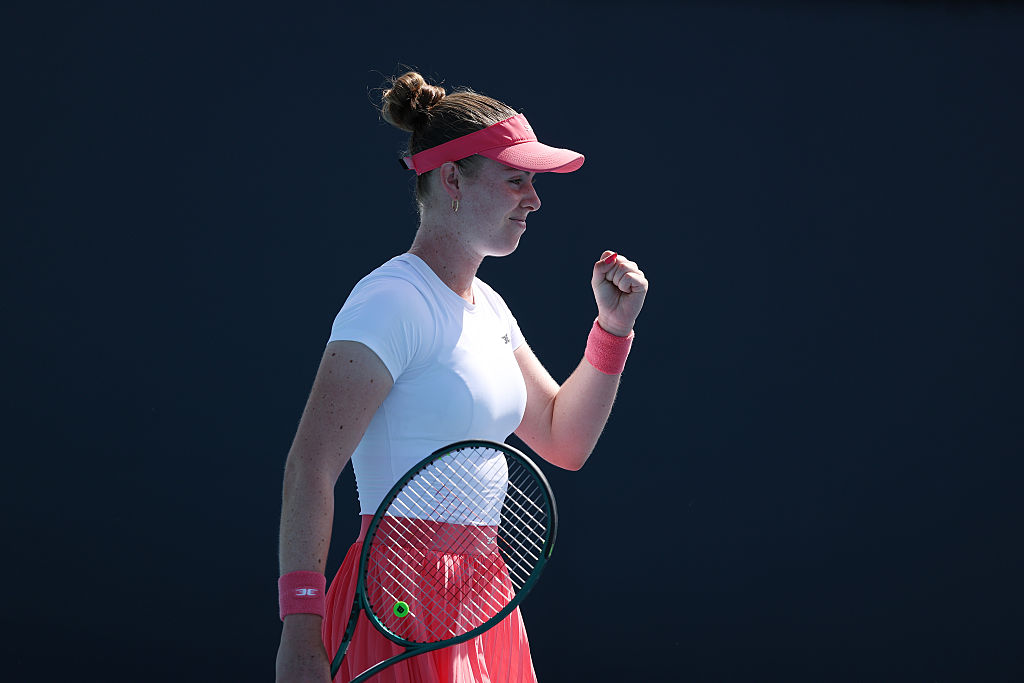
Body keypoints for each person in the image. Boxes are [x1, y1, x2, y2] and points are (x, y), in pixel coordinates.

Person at [275, 71, 649, 683]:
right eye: (515, 180)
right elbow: (310, 466)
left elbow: (562, 438)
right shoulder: (390, 302)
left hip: (485, 594)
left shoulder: (492, 309)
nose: (533, 200)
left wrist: (612, 330)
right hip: (396, 593)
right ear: (451, 179)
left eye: (532, 183)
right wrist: (299, 632)